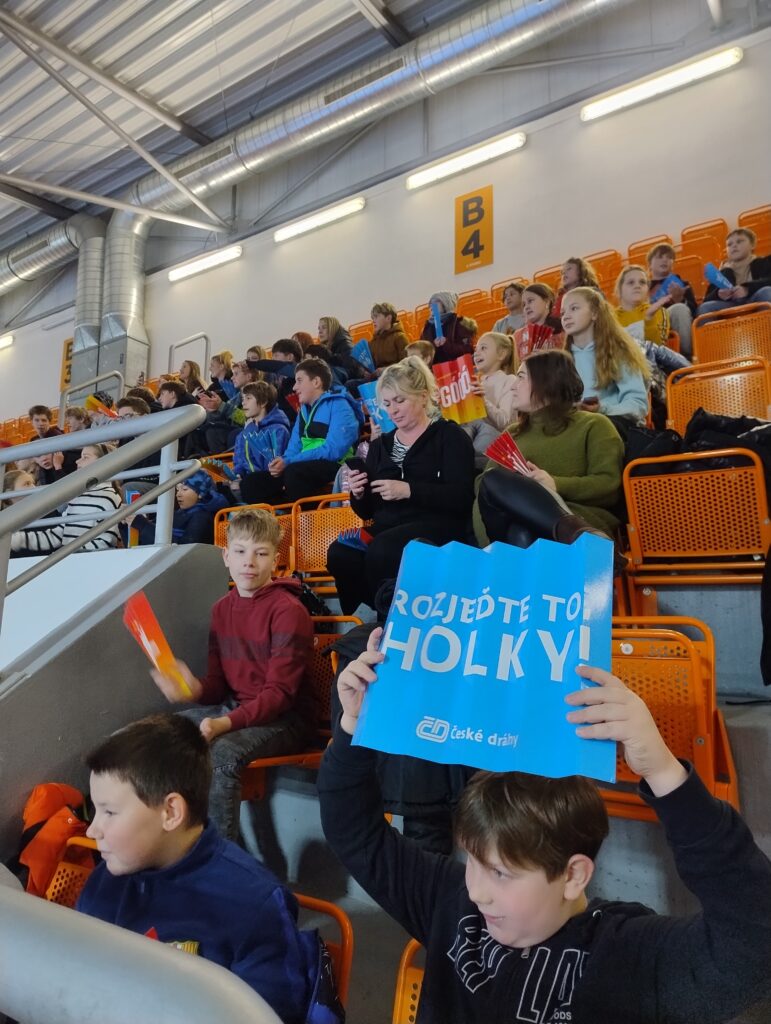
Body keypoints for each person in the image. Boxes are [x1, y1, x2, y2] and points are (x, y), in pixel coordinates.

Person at [319, 630, 771, 1024]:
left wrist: (665, 773)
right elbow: (354, 831)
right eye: (473, 860)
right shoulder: (451, 902)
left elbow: (754, 937)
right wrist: (354, 727)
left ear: (573, 875)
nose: (477, 891)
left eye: (502, 872)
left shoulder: (625, 957)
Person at [78, 714, 338, 1024]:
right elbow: (79, 971)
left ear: (170, 812)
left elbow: (268, 1015)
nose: (92, 830)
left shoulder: (253, 905)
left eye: (109, 812)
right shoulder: (105, 882)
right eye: (94, 810)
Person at [148, 509, 314, 841]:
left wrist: (224, 723)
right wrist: (193, 689)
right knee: (153, 735)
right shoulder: (221, 609)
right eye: (240, 551)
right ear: (226, 556)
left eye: (261, 553)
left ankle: (218, 861)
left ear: (275, 560)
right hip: (237, 708)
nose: (249, 562)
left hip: (286, 719)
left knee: (220, 758)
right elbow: (218, 685)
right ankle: (168, 843)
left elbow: (279, 695)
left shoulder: (288, 611)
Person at [326, 356, 475, 615]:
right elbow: (368, 512)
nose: (392, 410)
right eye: (386, 404)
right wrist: (359, 494)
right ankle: (372, 615)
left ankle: (389, 619)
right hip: (387, 526)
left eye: (399, 400)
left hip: (437, 524)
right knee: (340, 553)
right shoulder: (379, 446)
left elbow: (461, 497)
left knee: (383, 550)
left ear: (423, 397)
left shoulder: (449, 436)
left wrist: (408, 490)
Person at [473, 350, 624, 549]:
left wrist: (556, 484)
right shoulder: (513, 433)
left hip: (582, 517)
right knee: (493, 479)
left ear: (547, 381)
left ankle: (573, 531)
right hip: (515, 527)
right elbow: (484, 488)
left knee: (521, 533)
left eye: (521, 377)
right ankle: (570, 531)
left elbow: (609, 486)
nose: (513, 386)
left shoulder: (593, 425)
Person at [236, 358, 362, 505]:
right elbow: (294, 447)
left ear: (316, 382)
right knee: (250, 483)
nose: (294, 387)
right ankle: (282, 514)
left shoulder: (340, 405)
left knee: (294, 473)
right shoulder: (303, 411)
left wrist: (289, 461)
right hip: (304, 466)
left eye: (299, 381)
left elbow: (334, 450)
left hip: (337, 465)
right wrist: (282, 462)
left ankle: (305, 516)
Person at [563, 286, 650, 433]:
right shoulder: (561, 361)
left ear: (594, 313)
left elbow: (638, 404)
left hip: (612, 426)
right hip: (576, 428)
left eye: (574, 308)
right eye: (562, 312)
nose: (566, 316)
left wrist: (602, 409)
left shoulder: (618, 352)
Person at [10, 443, 122, 556]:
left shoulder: (109, 497)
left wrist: (65, 553)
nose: (77, 461)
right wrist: (18, 540)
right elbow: (58, 536)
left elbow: (106, 542)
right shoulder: (78, 498)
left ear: (103, 463)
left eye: (85, 457)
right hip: (69, 559)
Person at [131, 469, 227, 546]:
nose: (178, 494)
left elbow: (184, 549)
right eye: (177, 489)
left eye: (184, 489)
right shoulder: (180, 512)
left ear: (200, 494)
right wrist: (131, 522)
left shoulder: (202, 517)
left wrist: (141, 524)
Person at [464, 332, 519, 467]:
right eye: (475, 349)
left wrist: (483, 401)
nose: (476, 353)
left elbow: (506, 423)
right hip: (471, 437)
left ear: (502, 354)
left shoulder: (509, 380)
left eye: (483, 348)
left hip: (494, 444)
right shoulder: (473, 382)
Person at [234, 381, 292, 504]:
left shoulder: (279, 430)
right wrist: (237, 475)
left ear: (263, 402)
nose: (243, 402)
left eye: (248, 398)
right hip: (248, 481)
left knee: (250, 482)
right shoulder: (244, 433)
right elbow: (239, 461)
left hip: (268, 480)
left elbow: (274, 465)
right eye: (243, 399)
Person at [699, 227, 771, 315]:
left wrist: (747, 289)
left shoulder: (765, 262)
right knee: (705, 307)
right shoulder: (722, 272)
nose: (734, 246)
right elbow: (707, 299)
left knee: (767, 292)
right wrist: (718, 294)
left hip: (757, 301)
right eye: (729, 244)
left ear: (752, 245)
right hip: (731, 306)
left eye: (739, 241)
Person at [647, 243, 698, 358]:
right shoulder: (641, 287)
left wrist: (680, 300)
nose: (664, 260)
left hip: (671, 319)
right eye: (660, 257)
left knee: (680, 309)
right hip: (651, 323)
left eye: (669, 257)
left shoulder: (682, 285)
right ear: (649, 264)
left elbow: (695, 311)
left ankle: (687, 358)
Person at [614, 265, 671, 346]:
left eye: (642, 282)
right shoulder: (609, 318)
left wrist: (649, 318)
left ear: (647, 289)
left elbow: (658, 348)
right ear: (619, 290)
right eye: (631, 282)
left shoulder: (658, 312)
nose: (637, 286)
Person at [419, 291, 476, 364]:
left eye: (436, 302)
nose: (432, 306)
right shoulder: (426, 329)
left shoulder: (461, 324)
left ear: (446, 304)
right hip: (436, 369)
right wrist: (433, 346)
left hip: (459, 366)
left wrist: (447, 344)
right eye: (430, 303)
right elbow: (423, 355)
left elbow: (468, 350)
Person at [512, 284, 564, 361]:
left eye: (530, 301)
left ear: (547, 302)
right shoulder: (517, 336)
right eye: (524, 304)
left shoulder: (563, 329)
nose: (526, 307)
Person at [318, 316, 365, 380]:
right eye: (319, 328)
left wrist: (333, 359)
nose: (320, 332)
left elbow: (353, 371)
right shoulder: (326, 347)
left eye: (324, 328)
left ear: (332, 329)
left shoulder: (345, 345)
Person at [369, 301, 410, 369]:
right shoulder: (373, 342)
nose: (373, 321)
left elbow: (407, 365)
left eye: (376, 316)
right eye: (372, 318)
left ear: (388, 318)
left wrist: (384, 370)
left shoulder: (400, 337)